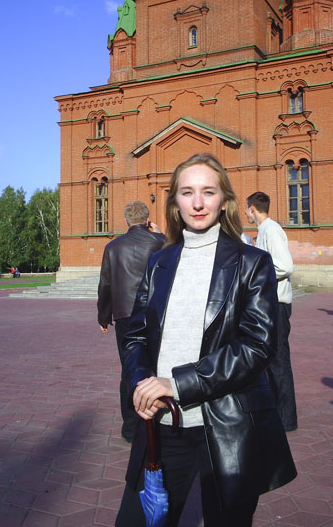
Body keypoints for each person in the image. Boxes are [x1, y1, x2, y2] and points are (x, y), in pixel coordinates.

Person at [116, 154, 296, 527]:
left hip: (229, 424)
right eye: (187, 192)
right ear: (175, 203)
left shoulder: (252, 262)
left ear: (224, 200)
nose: (198, 203)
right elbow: (135, 336)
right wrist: (142, 385)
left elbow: (258, 345)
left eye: (208, 192)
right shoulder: (159, 263)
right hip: (164, 423)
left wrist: (176, 383)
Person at [98, 201, 166, 442]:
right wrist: (161, 235)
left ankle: (131, 428)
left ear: (126, 220)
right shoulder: (160, 242)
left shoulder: (112, 247)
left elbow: (105, 284)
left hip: (125, 314)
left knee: (129, 368)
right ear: (147, 220)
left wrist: (103, 316)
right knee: (157, 366)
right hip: (155, 313)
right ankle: (158, 423)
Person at [245, 192, 297, 432]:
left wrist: (259, 274)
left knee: (278, 360)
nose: (245, 213)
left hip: (278, 304)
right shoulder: (264, 230)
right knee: (272, 359)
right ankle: (278, 411)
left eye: (246, 209)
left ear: (253, 208)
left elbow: (285, 266)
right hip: (272, 303)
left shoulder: (271, 229)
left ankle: (286, 418)